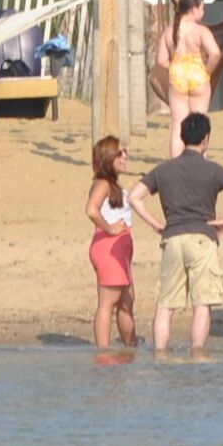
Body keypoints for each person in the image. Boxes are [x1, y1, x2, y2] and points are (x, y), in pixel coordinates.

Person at [138, 111, 223, 353]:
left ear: (182, 138)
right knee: (202, 303)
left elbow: (134, 197)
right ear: (206, 139)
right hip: (202, 238)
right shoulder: (212, 169)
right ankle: (197, 352)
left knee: (165, 305)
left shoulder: (163, 170)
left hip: (172, 238)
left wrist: (155, 223)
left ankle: (160, 353)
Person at [85, 134, 138, 351]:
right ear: (108, 158)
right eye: (120, 152)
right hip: (109, 249)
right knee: (107, 303)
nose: (125, 156)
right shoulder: (103, 184)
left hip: (120, 252)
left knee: (126, 302)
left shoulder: (113, 185)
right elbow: (90, 209)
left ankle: (130, 348)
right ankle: (104, 352)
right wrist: (110, 228)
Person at [163, 0, 221, 141]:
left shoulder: (170, 31)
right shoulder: (201, 31)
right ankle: (199, 159)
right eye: (202, 8)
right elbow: (215, 53)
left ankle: (176, 162)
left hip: (178, 74)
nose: (203, 12)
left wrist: (174, 69)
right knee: (199, 123)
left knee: (177, 125)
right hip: (197, 73)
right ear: (194, 9)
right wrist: (207, 71)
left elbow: (161, 61)